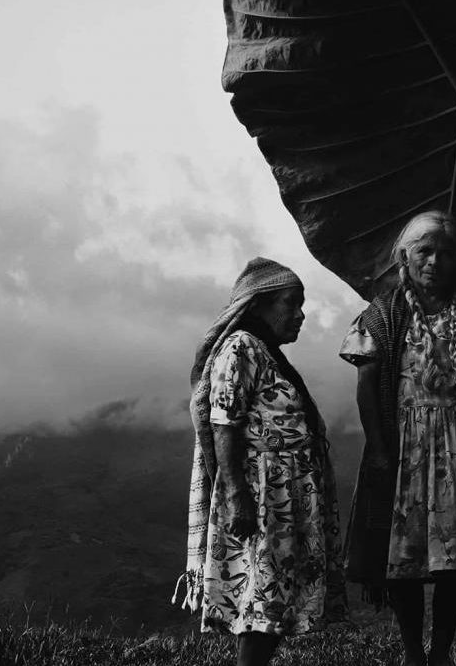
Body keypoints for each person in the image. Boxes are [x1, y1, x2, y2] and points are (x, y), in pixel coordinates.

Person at [339, 211, 456, 666]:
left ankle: (440, 652)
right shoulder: (382, 315)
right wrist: (379, 448)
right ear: (405, 258)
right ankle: (413, 651)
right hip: (406, 448)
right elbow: (367, 386)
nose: (434, 262)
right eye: (425, 251)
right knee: (404, 557)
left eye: (446, 253)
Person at [174, 257, 347, 666]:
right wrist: (237, 495)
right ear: (259, 305)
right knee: (262, 604)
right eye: (291, 303)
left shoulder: (267, 353)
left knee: (273, 604)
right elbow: (224, 422)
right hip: (262, 495)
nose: (300, 314)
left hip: (282, 497)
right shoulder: (241, 347)